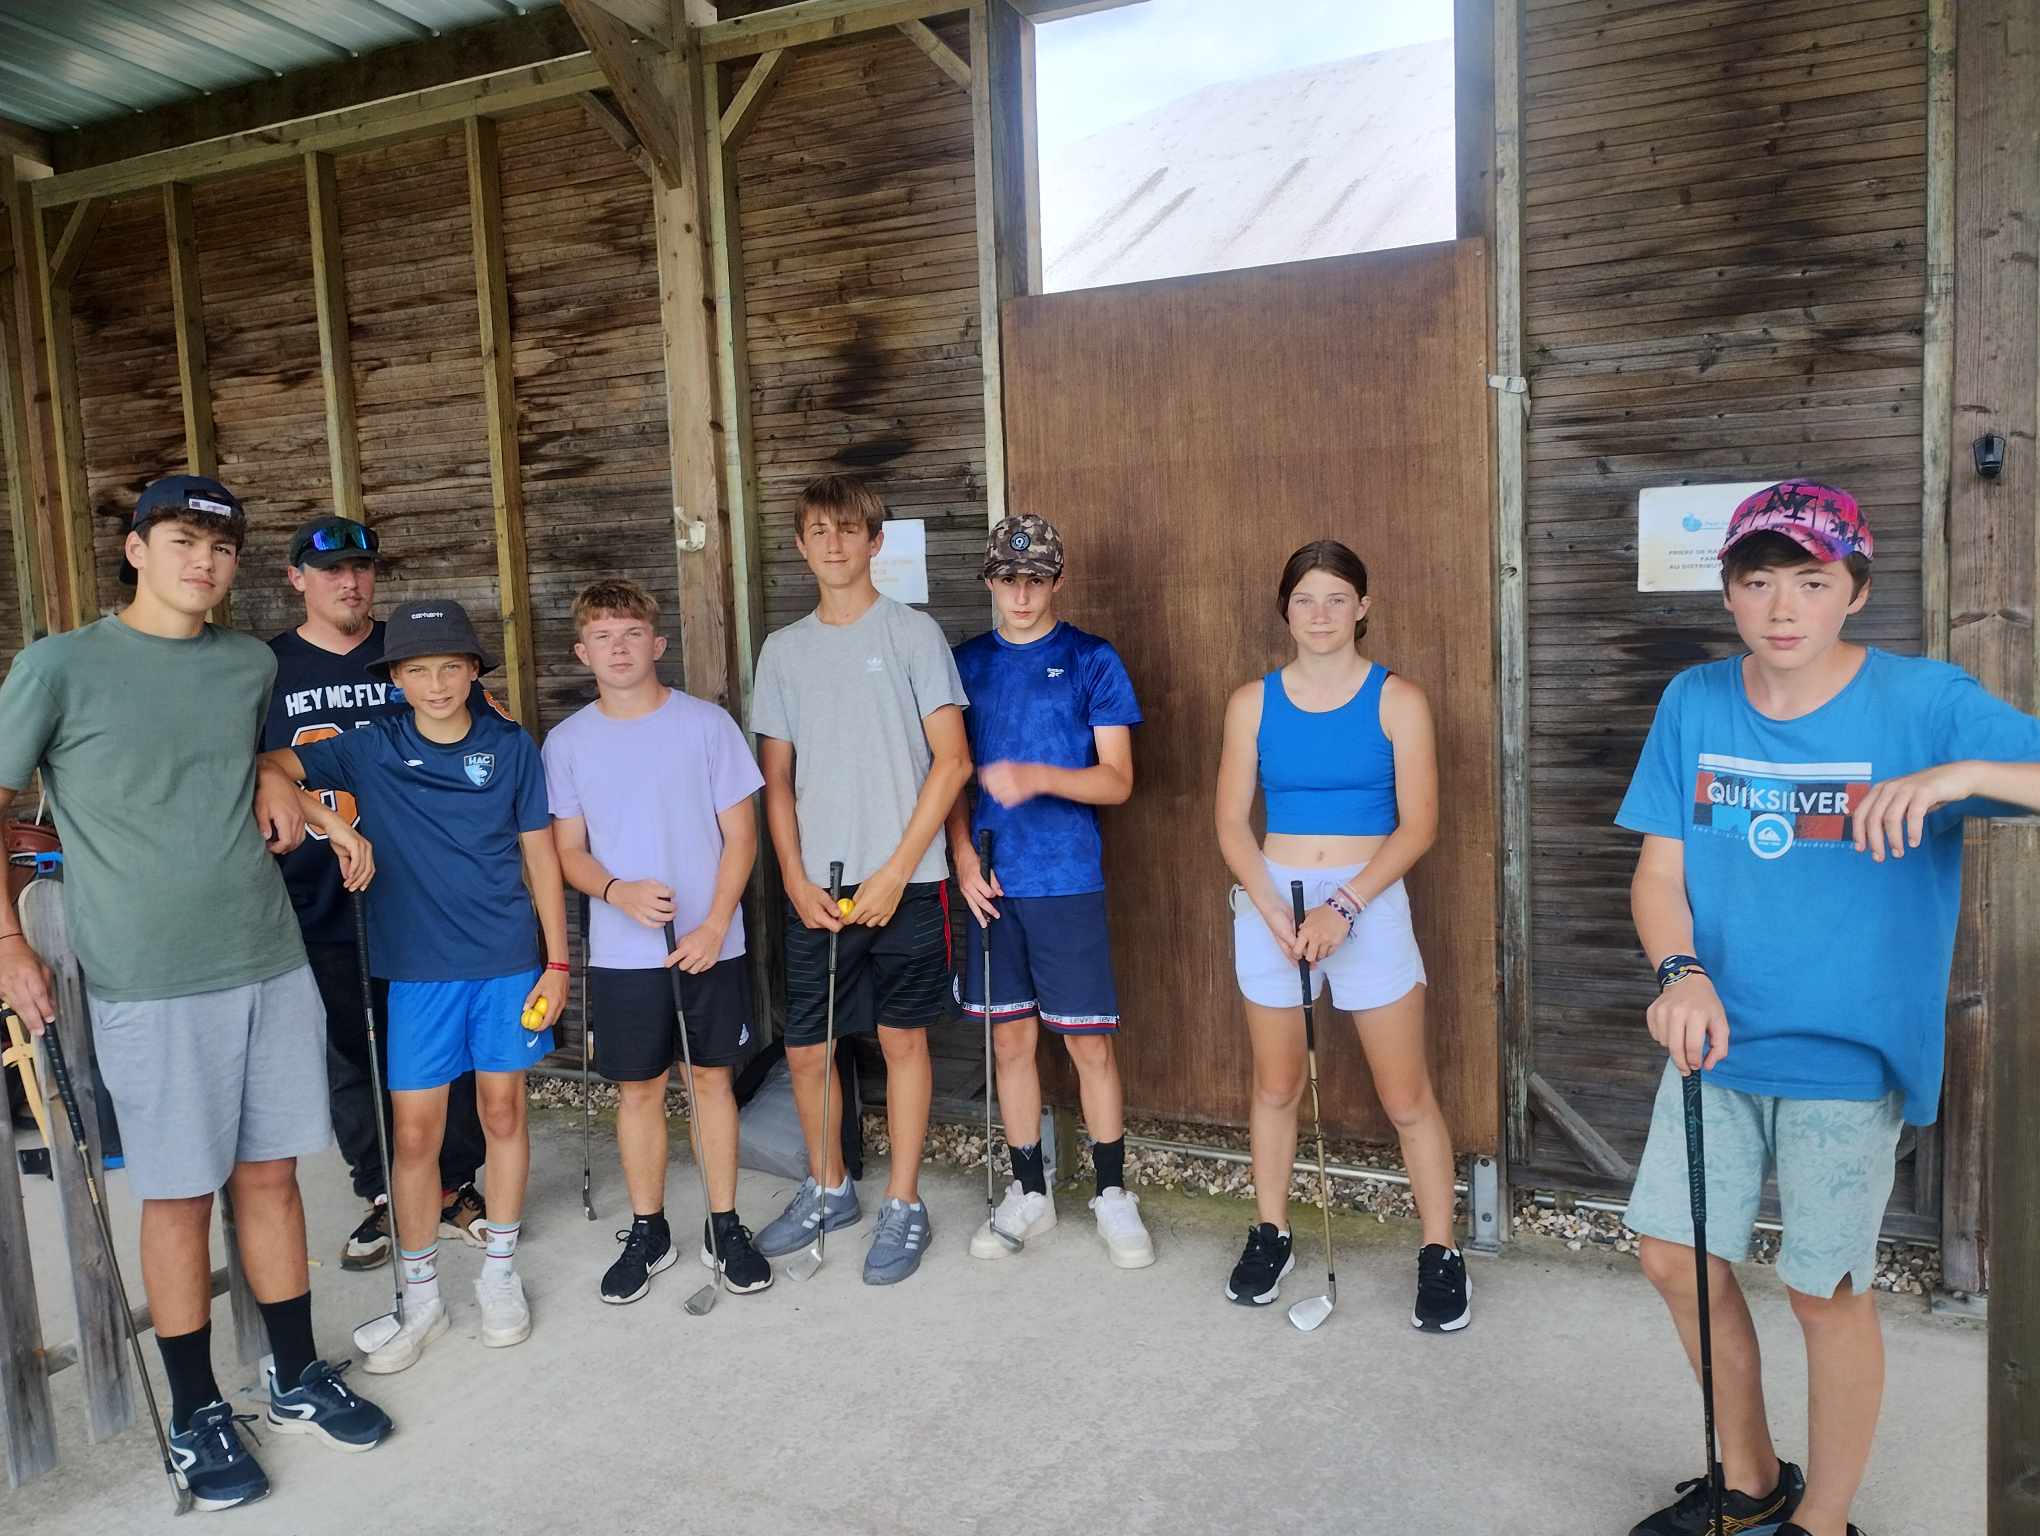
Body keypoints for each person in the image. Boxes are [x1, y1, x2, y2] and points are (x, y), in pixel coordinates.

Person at [1616, 482, 2040, 1536]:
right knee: (1672, 1253)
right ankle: (1753, 1484)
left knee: (1824, 1292)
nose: (1783, 607)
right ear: (1730, 593)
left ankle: (1825, 1525)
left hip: (1846, 1059)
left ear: (1854, 589)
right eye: (1757, 582)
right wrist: (1681, 973)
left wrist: (1959, 776)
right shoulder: (1695, 701)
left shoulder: (1923, 700)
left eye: (1810, 580)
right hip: (1713, 1037)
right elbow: (1657, 876)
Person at [0, 475, 392, 1511]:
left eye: (220, 549)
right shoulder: (60, 666)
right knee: (176, 1196)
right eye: (180, 541)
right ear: (136, 550)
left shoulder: (245, 662)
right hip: (150, 977)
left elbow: (248, 752)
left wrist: (281, 783)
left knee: (269, 1180)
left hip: (266, 955)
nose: (203, 564)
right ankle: (193, 1413)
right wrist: (7, 942)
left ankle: (295, 1376)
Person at [261, 600, 567, 1374]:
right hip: (418, 975)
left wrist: (559, 964)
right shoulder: (370, 747)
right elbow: (268, 768)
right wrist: (335, 827)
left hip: (505, 963)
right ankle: (421, 1296)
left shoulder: (509, 746)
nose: (436, 683)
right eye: (418, 670)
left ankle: (500, 1274)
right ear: (395, 678)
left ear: (473, 672)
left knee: (502, 1113)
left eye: (450, 667)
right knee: (415, 1136)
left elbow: (542, 859)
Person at [1213, 539, 1468, 1330]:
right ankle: (1271, 1231)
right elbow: (1229, 820)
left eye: (1335, 598)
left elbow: (1419, 824)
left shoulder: (1400, 700)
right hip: (1272, 900)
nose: (1318, 614)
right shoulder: (1252, 702)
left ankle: (1441, 1251)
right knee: (1277, 1085)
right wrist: (1271, 908)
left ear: (1362, 606)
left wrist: (1344, 907)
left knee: (1405, 1095)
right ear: (1284, 610)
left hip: (1367, 900)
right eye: (1303, 600)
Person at [749, 475, 972, 1286]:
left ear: (875, 542)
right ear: (802, 545)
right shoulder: (785, 649)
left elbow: (954, 762)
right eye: (818, 531)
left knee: (902, 1039)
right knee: (808, 1050)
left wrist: (895, 871)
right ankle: (829, 1184)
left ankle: (904, 1203)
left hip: (906, 885)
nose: (835, 544)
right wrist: (795, 878)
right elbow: (776, 779)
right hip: (818, 888)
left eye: (849, 530)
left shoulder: (914, 636)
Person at [263, 515, 489, 1272]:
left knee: (439, 1046)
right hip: (322, 893)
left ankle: (455, 1184)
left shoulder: (414, 651)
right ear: (298, 579)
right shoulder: (266, 670)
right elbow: (254, 771)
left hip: (426, 894)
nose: (349, 582)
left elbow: (482, 739)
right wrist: (327, 822)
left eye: (361, 569)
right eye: (330, 572)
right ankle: (381, 1190)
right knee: (352, 1049)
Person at [543, 577, 772, 1302]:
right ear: (583, 652)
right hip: (622, 952)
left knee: (710, 1080)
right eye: (603, 636)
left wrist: (712, 925)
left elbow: (742, 837)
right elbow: (567, 851)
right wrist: (617, 891)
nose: (618, 647)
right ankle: (650, 1230)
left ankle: (724, 1222)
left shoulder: (707, 726)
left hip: (708, 945)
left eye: (632, 633)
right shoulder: (567, 741)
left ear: (658, 643)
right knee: (637, 1088)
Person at [946, 514, 1153, 1267]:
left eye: (1035, 580)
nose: (1021, 594)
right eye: (1007, 580)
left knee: (1088, 1041)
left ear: (1057, 581)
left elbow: (1118, 780)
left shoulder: (1093, 658)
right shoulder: (963, 664)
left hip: (1066, 876)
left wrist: (1037, 777)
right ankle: (1029, 1193)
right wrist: (963, 857)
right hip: (992, 883)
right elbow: (945, 780)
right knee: (1010, 1039)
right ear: (992, 584)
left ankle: (1111, 1194)